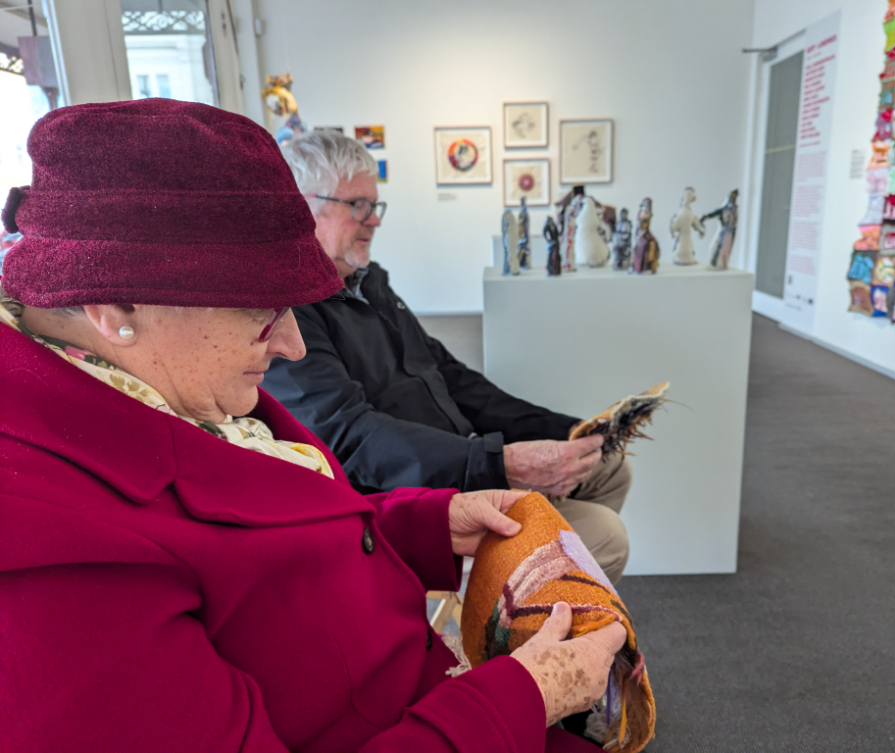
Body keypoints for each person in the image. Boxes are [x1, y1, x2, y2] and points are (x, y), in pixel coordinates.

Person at [0, 99, 625, 752]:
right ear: (118, 301)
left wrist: (422, 521)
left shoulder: (164, 383)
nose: (293, 344)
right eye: (261, 309)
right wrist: (518, 697)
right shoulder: (44, 561)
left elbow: (276, 540)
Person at [263, 132, 633, 583]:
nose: (373, 220)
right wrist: (497, 463)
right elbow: (351, 438)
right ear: (302, 206)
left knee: (609, 467)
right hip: (405, 503)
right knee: (605, 536)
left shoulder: (368, 283)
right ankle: (518, 610)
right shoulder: (288, 310)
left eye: (375, 205)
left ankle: (542, 594)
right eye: (357, 205)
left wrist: (565, 429)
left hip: (455, 465)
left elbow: (449, 376)